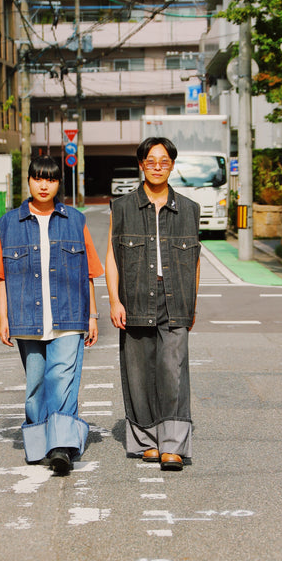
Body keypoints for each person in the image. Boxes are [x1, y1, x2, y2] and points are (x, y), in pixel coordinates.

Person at [0, 155, 103, 474]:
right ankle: (39, 445)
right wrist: (3, 318)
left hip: (69, 316)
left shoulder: (75, 220)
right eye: (38, 178)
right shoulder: (9, 223)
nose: (43, 184)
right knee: (36, 384)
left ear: (57, 185)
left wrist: (92, 315)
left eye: (50, 179)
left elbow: (89, 272)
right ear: (28, 181)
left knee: (62, 380)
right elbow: (0, 276)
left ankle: (61, 447)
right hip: (26, 319)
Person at [105, 137, 200, 471]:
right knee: (139, 371)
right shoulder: (123, 207)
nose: (157, 166)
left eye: (164, 161)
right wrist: (114, 299)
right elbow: (112, 258)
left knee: (173, 370)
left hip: (175, 298)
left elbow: (196, 261)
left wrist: (193, 304)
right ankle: (147, 440)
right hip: (134, 297)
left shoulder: (189, 209)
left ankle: (172, 444)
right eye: (151, 160)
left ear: (172, 165)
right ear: (141, 164)